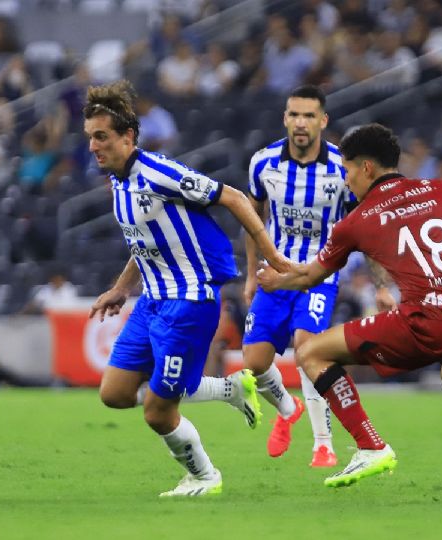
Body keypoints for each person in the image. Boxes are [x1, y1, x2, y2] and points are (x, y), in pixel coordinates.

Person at [258, 123, 442, 498]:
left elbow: (308, 276)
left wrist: (274, 279)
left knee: (311, 352)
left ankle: (370, 445)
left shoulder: (357, 220)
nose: (345, 180)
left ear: (367, 168)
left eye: (348, 170)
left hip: (429, 321)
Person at [85, 80, 290, 497]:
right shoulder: (118, 183)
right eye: (90, 138)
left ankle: (204, 477)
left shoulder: (161, 173)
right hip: (151, 303)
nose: (93, 146)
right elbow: (146, 242)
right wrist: (121, 289)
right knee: (115, 393)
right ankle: (229, 388)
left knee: (158, 412)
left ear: (128, 137)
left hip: (189, 302)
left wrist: (273, 256)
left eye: (101, 137)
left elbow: (233, 198)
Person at [196, 85, 391, 467]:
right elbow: (252, 222)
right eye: (294, 115)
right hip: (275, 274)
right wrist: (252, 277)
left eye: (308, 116)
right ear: (286, 119)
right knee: (253, 361)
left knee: (307, 349)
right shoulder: (263, 163)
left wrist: (382, 286)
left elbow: (364, 227)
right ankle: (288, 409)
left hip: (318, 274)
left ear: (323, 121)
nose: (300, 123)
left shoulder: (341, 167)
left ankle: (324, 444)